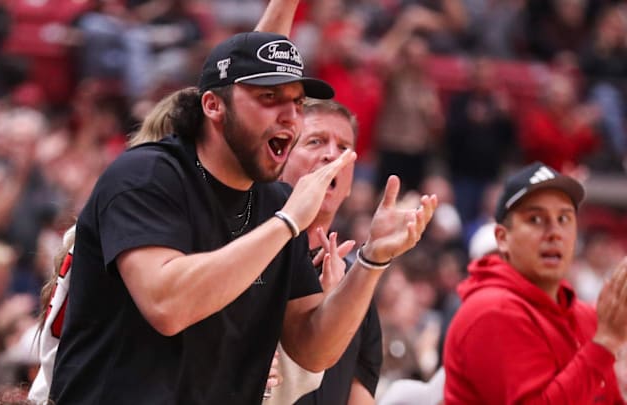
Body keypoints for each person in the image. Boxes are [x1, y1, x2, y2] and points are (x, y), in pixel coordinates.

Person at [49, 29, 437, 404]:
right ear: (213, 106)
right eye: (270, 97)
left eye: (298, 103)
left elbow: (312, 350)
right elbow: (167, 306)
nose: (290, 117)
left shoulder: (274, 201)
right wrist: (286, 224)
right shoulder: (146, 176)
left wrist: (372, 259)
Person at [443, 161, 627, 404]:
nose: (554, 232)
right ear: (502, 238)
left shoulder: (584, 316)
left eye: (564, 218)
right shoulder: (491, 311)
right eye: (536, 220)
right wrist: (605, 343)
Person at [272, 98, 382, 404]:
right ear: (278, 161)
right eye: (315, 141)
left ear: (349, 185)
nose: (332, 155)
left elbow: (361, 389)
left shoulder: (357, 279)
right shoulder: (246, 260)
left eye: (344, 148)